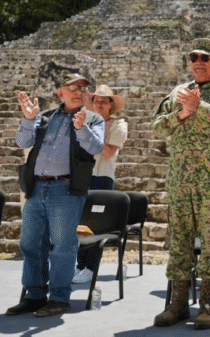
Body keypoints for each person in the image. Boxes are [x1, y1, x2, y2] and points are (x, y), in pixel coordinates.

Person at [151, 38, 210, 330]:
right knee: (179, 243)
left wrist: (201, 108)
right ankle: (178, 304)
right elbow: (157, 128)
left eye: (205, 57)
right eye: (194, 57)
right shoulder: (177, 92)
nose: (199, 61)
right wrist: (183, 112)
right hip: (181, 181)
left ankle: (207, 307)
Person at [7, 73, 105, 317]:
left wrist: (81, 128)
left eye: (83, 87)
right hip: (36, 187)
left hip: (66, 189)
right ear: (60, 92)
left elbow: (95, 148)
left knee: (62, 245)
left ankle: (59, 297)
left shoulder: (93, 119)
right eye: (72, 87)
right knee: (30, 243)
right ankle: (34, 295)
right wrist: (29, 119)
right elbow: (22, 142)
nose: (79, 90)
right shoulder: (45, 116)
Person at [72, 85, 128, 284]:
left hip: (103, 177)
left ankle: (91, 267)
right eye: (96, 100)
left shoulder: (118, 125)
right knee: (80, 222)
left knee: (97, 223)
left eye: (104, 101)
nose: (99, 104)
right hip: (83, 175)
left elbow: (107, 152)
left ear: (111, 104)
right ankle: (80, 265)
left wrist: (89, 133)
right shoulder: (86, 121)